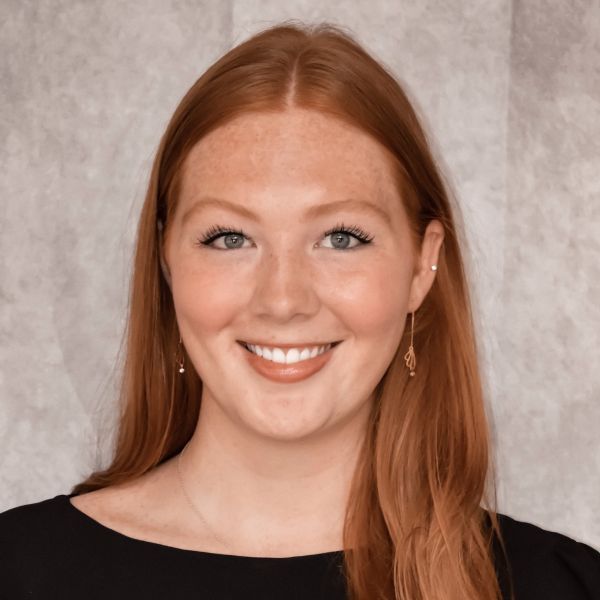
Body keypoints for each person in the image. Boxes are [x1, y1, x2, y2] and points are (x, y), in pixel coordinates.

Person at [1, 20, 599, 600]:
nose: (283, 300)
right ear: (166, 263)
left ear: (423, 265)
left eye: (341, 237)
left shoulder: (564, 585)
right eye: (230, 238)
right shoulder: (17, 569)